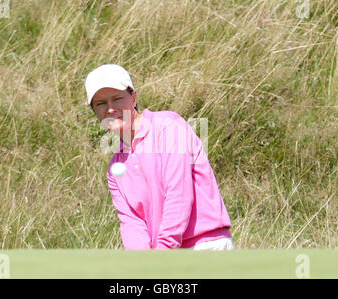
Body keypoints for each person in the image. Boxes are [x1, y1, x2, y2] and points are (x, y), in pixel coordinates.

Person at [85, 64, 234, 250]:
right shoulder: (115, 167)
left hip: (205, 245)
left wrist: (162, 253)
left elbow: (179, 195)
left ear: (133, 97)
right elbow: (132, 224)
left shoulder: (169, 127)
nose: (110, 109)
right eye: (100, 103)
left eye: (117, 98)